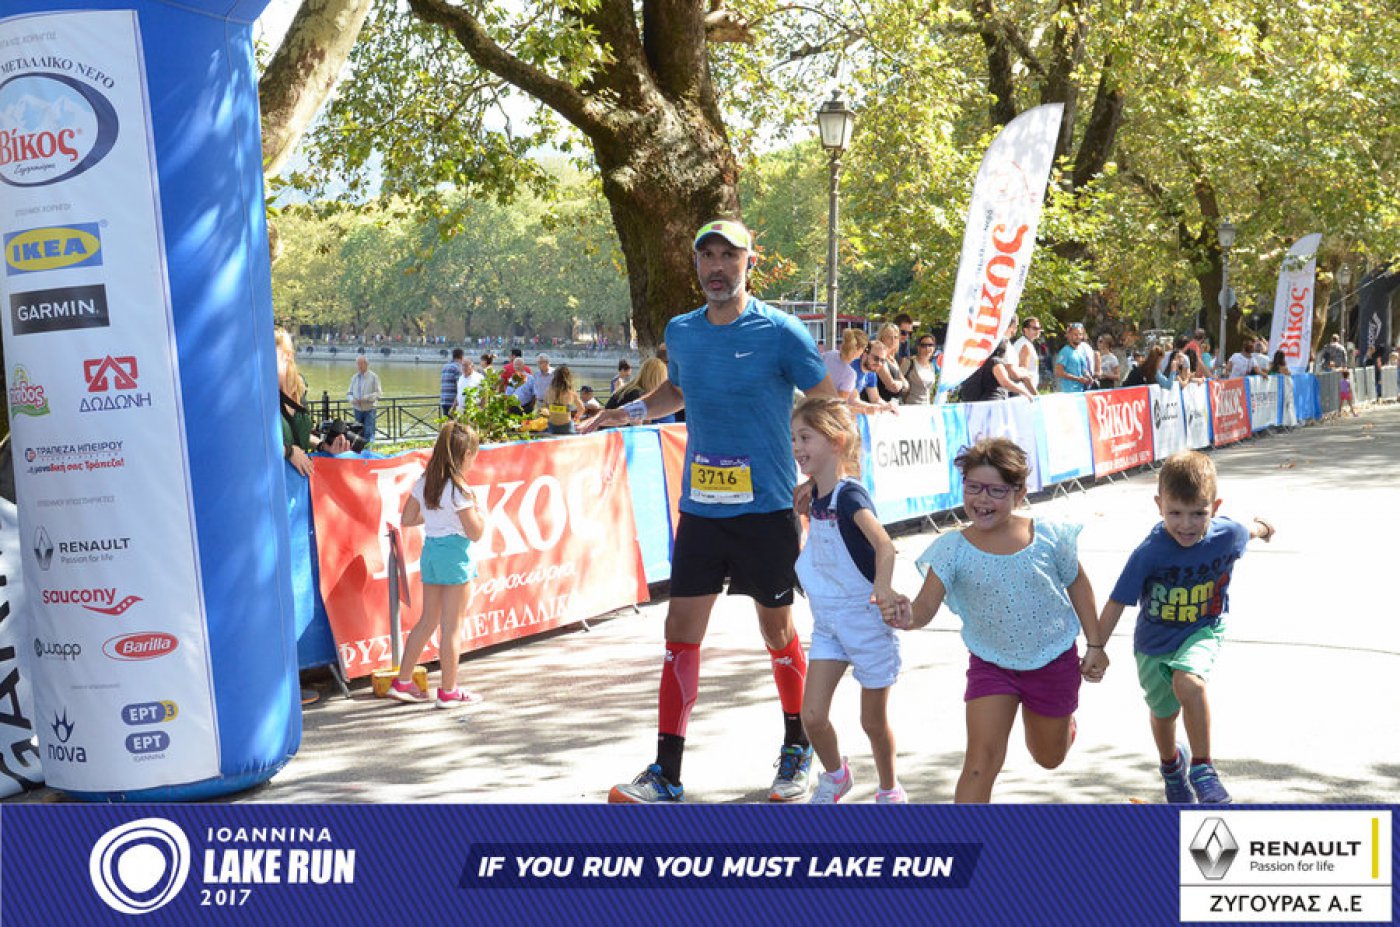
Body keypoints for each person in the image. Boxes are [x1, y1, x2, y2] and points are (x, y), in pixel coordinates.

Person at [585, 219, 837, 803]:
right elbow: (677, 391)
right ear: (696, 263)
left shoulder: (780, 331)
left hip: (766, 507)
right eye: (707, 256)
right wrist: (626, 412)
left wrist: (817, 475)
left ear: (750, 262)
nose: (717, 267)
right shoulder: (682, 331)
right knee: (678, 632)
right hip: (701, 507)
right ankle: (666, 772)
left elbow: (827, 399)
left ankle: (797, 748)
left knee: (777, 631)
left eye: (729, 255)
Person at [883, 437, 1101, 802]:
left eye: (996, 491)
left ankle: (1063, 727)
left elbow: (1077, 583)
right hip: (991, 665)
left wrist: (1095, 644)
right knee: (979, 763)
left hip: (1052, 659)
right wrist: (906, 615)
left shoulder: (1047, 536)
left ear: (1019, 493)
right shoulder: (952, 549)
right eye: (973, 487)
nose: (982, 499)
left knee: (1048, 757)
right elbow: (924, 608)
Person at [1082, 451, 1273, 803]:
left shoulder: (1227, 534)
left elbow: (1248, 531)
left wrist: (1264, 528)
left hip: (1203, 629)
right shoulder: (1150, 552)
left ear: (1215, 507)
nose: (1186, 525)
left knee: (1189, 681)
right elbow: (1118, 600)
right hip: (1153, 643)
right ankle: (1171, 768)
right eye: (1175, 513)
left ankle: (1202, 768)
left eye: (1198, 513)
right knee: (1164, 714)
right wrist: (1096, 648)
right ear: (1159, 506)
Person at [790, 397, 906, 804]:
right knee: (812, 716)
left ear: (836, 441)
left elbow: (885, 545)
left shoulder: (851, 497)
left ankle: (890, 790)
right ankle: (836, 775)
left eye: (806, 437)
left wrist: (883, 587)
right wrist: (806, 496)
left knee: (872, 722)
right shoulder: (815, 496)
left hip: (866, 622)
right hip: (828, 626)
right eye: (794, 438)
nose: (797, 447)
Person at [387, 421, 488, 709]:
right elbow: (475, 533)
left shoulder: (425, 481)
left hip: (431, 552)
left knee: (427, 620)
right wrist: (479, 512)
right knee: (452, 627)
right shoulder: (460, 489)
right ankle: (448, 691)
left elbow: (407, 518)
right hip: (455, 556)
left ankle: (402, 681)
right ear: (466, 454)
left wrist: (436, 517)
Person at [824, 330, 893, 415]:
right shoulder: (850, 371)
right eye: (876, 358)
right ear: (864, 352)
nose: (879, 363)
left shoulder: (829, 354)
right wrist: (875, 408)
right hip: (827, 412)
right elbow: (846, 404)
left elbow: (875, 398)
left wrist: (888, 406)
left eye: (882, 360)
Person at [275, 328, 314, 477]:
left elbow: (300, 435)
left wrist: (323, 445)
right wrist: (289, 451)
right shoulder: (260, 393)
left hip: (302, 480)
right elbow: (252, 445)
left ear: (287, 355)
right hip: (278, 480)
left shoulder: (300, 387)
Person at [959, 339, 1036, 402]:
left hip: (977, 403)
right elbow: (1005, 382)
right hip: (993, 402)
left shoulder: (978, 362)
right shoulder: (995, 361)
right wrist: (1025, 392)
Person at [346, 354, 382, 444]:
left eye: (361, 363)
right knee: (358, 432)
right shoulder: (354, 377)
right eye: (358, 364)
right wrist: (352, 400)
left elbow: (378, 393)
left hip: (369, 409)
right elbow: (349, 393)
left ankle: (369, 450)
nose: (359, 366)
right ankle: (359, 450)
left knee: (369, 432)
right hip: (357, 409)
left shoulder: (373, 377)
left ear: (366, 364)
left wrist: (366, 398)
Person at [542, 366, 585, 435]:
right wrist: (577, 416)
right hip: (566, 427)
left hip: (552, 427)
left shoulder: (549, 390)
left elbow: (544, 409)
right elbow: (581, 408)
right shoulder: (571, 392)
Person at [898, 333, 939, 404]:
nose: (927, 348)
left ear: (934, 347)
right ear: (918, 347)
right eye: (923, 345)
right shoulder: (909, 362)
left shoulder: (932, 366)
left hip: (926, 406)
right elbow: (898, 380)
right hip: (909, 406)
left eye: (930, 345)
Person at [1054, 322, 1095, 392]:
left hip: (1081, 390)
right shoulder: (1065, 351)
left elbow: (1083, 368)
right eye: (1075, 334)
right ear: (1069, 335)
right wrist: (1077, 379)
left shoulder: (1081, 350)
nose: (1078, 337)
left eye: (1080, 334)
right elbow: (1059, 372)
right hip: (1068, 391)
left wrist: (1088, 376)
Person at [873, 324, 910, 401]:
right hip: (883, 403)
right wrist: (902, 384)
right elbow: (893, 386)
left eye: (896, 337)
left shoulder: (892, 359)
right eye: (889, 337)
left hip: (896, 402)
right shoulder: (880, 359)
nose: (893, 340)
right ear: (882, 338)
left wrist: (900, 384)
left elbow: (907, 386)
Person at [1011, 318, 1042, 393]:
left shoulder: (1024, 343)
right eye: (1035, 328)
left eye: (1039, 328)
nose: (1038, 331)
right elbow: (1023, 374)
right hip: (1024, 391)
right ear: (1025, 330)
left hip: (1023, 390)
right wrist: (1035, 394)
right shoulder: (1025, 346)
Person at [440, 348, 465, 415]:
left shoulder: (445, 366)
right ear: (462, 357)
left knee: (446, 421)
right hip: (453, 403)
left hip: (444, 400)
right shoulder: (458, 368)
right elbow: (459, 386)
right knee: (455, 421)